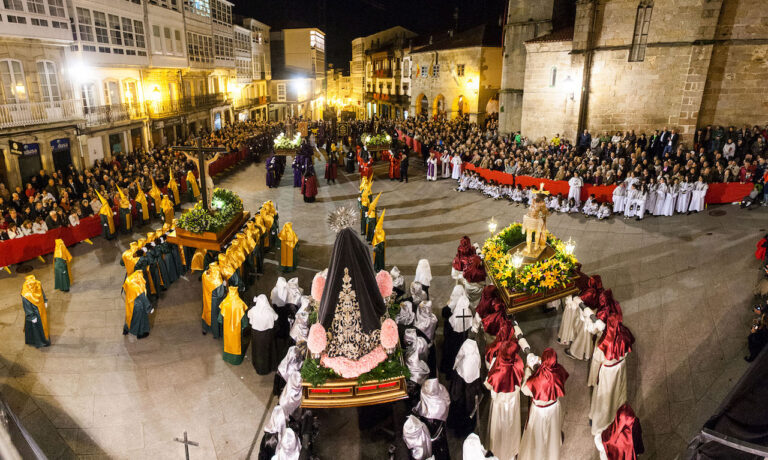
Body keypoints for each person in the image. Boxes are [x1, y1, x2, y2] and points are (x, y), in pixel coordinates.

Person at [519, 348, 569, 460]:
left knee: (538, 435)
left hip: (539, 411)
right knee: (552, 431)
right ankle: (552, 453)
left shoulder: (537, 379)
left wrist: (527, 370)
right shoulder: (559, 370)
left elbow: (525, 390)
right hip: (554, 407)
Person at [589, 317, 634, 435]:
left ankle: (601, 422)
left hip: (607, 372)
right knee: (618, 392)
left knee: (604, 396)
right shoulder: (624, 336)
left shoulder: (605, 341)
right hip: (620, 368)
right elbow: (627, 351)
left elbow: (598, 358)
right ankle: (617, 415)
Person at [486, 339, 525, 460]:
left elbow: (489, 385)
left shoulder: (497, 368)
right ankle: (512, 453)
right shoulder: (518, 363)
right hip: (513, 402)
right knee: (512, 426)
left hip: (500, 405)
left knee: (499, 428)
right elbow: (521, 379)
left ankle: (498, 452)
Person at [447, 338, 483, 436]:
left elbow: (458, 360)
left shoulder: (464, 360)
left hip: (460, 386)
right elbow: (478, 369)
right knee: (469, 408)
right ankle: (467, 429)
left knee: (459, 408)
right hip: (472, 388)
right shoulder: (476, 357)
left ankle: (457, 428)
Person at [414, 379, 451, 460]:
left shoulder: (430, 412)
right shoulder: (442, 392)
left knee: (437, 451)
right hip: (441, 428)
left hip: (433, 434)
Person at [440, 285, 471, 375]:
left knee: (450, 352)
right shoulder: (465, 307)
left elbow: (444, 314)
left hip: (451, 336)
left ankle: (448, 370)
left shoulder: (449, 308)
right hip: (462, 336)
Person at [218, 286, 249, 365]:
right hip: (237, 329)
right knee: (237, 344)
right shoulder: (240, 303)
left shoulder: (225, 302)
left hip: (227, 328)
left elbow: (220, 318)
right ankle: (236, 360)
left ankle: (227, 357)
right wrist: (244, 325)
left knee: (228, 342)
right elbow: (244, 320)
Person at [248, 294, 278, 375]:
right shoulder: (269, 311)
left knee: (257, 350)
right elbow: (276, 317)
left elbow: (248, 315)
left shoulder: (253, 310)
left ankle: (258, 366)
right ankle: (267, 367)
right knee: (267, 350)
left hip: (256, 335)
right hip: (267, 334)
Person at [20, 275, 50, 348]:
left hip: (41, 309)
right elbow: (27, 307)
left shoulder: (37, 284)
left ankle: (43, 339)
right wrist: (32, 317)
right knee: (36, 328)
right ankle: (40, 342)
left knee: (43, 325)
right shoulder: (26, 294)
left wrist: (45, 300)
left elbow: (42, 293)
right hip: (34, 313)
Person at [122, 270, 153, 338]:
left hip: (130, 301)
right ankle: (140, 333)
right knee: (141, 318)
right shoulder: (139, 286)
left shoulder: (130, 279)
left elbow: (125, 290)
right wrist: (149, 308)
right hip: (137, 305)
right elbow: (143, 298)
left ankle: (126, 329)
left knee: (129, 316)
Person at [201, 262, 226, 338]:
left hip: (206, 298)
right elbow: (220, 294)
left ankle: (205, 328)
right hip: (215, 301)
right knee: (215, 316)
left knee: (206, 313)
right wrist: (224, 285)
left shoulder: (205, 274)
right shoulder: (217, 280)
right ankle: (216, 333)